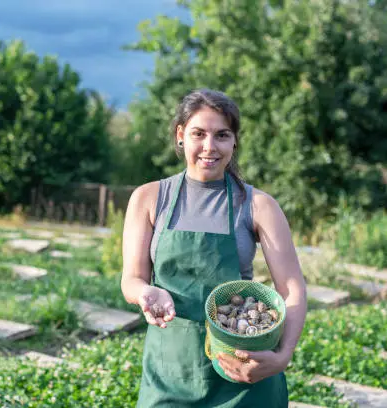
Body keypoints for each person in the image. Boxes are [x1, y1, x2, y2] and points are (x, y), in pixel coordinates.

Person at [121, 88, 307, 407]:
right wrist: (145, 293)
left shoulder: (258, 205)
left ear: (234, 141)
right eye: (198, 134)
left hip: (243, 371)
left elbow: (291, 288)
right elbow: (132, 278)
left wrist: (282, 356)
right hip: (169, 368)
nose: (209, 146)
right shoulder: (149, 198)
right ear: (181, 136)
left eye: (222, 135)